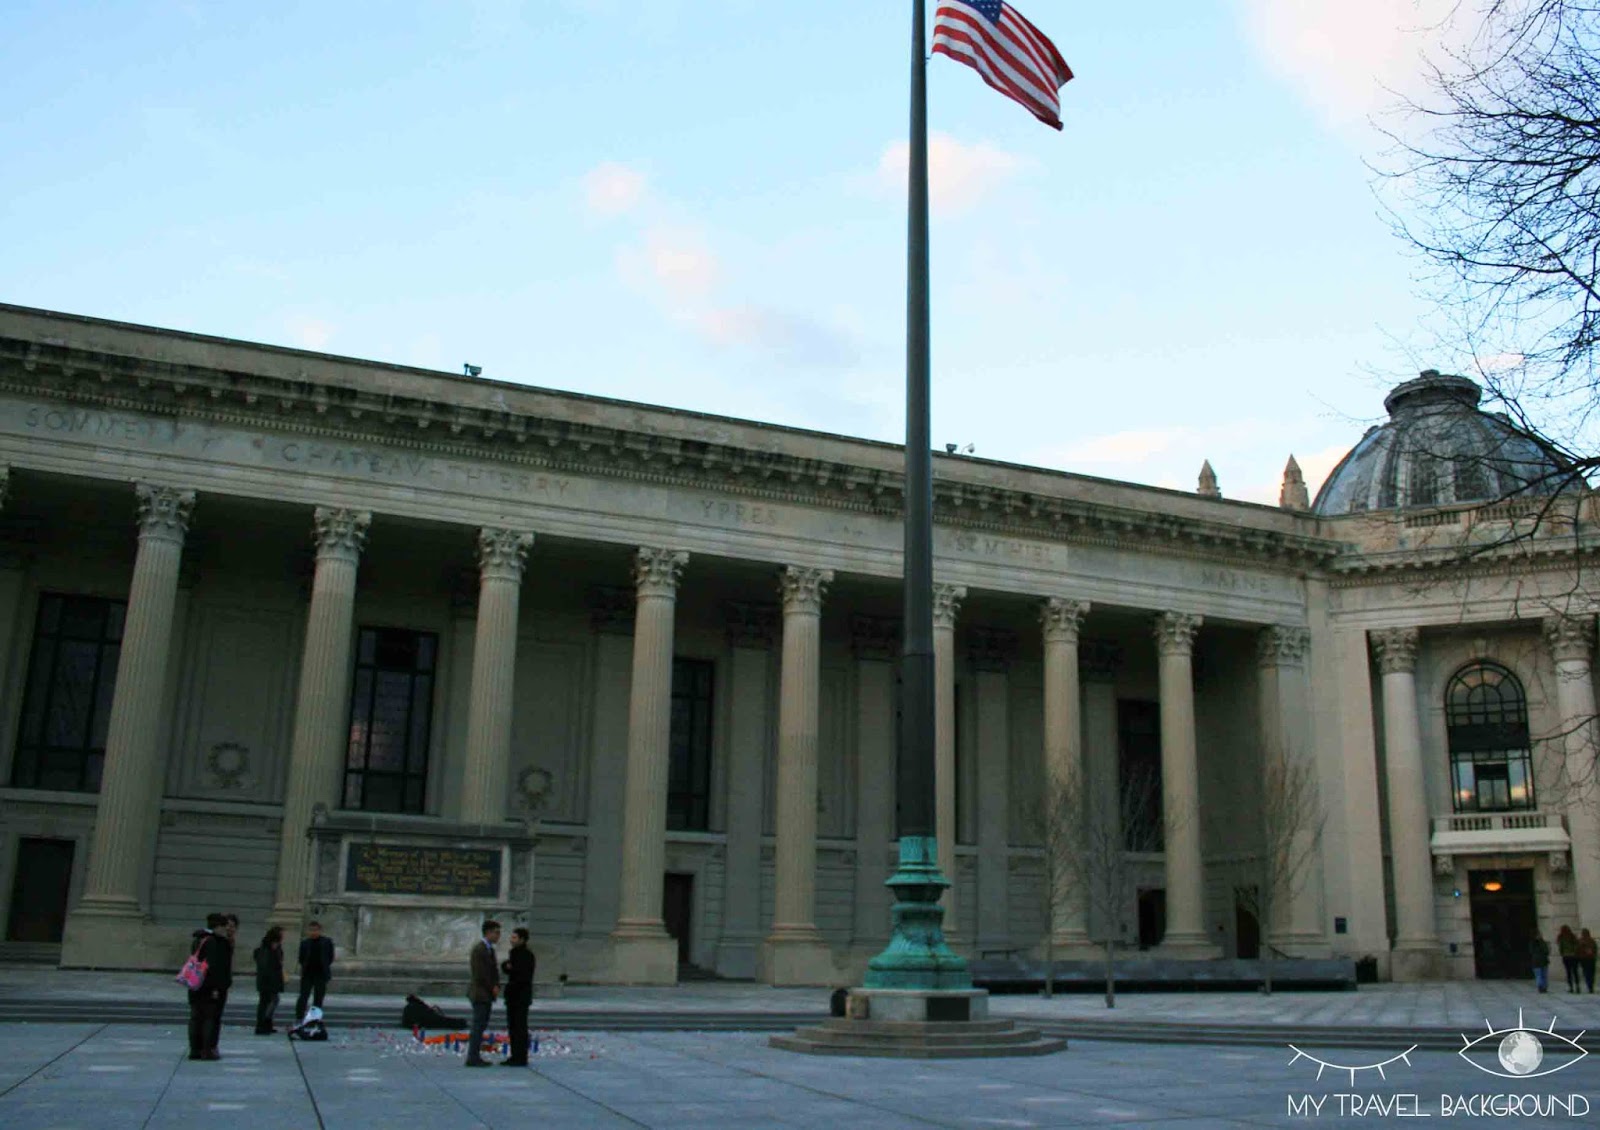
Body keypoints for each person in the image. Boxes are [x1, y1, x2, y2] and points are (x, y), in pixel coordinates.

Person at [186, 912, 231, 1061]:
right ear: (219, 926)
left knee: (195, 1017)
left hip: (195, 984)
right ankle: (207, 1049)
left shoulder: (199, 939)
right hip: (209, 986)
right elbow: (215, 967)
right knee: (210, 1018)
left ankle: (195, 1049)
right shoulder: (216, 942)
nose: (226, 930)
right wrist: (216, 988)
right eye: (225, 927)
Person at [464, 920, 501, 1068]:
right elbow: (480, 973)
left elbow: (493, 970)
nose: (498, 936)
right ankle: (472, 1057)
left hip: (486, 993)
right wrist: (492, 986)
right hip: (481, 993)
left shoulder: (489, 949)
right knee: (478, 1026)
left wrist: (496, 985)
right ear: (488, 933)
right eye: (496, 932)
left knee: (481, 1025)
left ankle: (475, 1055)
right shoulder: (479, 949)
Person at [500, 927, 535, 1066]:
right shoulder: (514, 953)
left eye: (514, 937)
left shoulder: (526, 955)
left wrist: (510, 968)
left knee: (519, 1026)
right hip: (514, 996)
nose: (511, 940)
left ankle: (520, 1056)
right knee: (513, 1026)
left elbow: (521, 975)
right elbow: (508, 968)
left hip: (520, 996)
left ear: (522, 939)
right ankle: (515, 1055)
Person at [296, 921, 335, 1021]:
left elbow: (330, 957)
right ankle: (299, 1017)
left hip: (321, 973)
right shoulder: (305, 943)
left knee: (318, 998)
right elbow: (301, 958)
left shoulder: (326, 942)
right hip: (308, 973)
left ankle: (314, 1019)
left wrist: (324, 966)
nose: (313, 932)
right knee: (303, 996)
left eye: (315, 930)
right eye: (311, 930)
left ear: (320, 930)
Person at [254, 926, 286, 1034]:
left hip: (272, 979)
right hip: (267, 980)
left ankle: (267, 1023)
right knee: (266, 1002)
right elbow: (265, 966)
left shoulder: (276, 948)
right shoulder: (266, 948)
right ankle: (262, 1025)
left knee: (271, 1001)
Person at [214, 913, 239, 1048]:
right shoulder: (219, 942)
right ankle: (209, 1046)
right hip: (216, 984)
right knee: (213, 1017)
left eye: (233, 926)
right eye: (228, 926)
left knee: (217, 1016)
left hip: (223, 983)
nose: (231, 929)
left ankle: (211, 1045)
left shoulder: (229, 941)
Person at [1557, 925, 1580, 993]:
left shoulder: (1561, 937)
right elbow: (1577, 945)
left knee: (1569, 972)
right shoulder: (1572, 936)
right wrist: (1574, 951)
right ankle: (1577, 986)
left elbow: (1561, 948)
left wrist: (1562, 953)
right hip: (1574, 956)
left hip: (1566, 957)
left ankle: (1571, 987)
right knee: (1575, 972)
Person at [1579, 928, 1598, 993]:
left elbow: (1578, 950)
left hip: (1585, 959)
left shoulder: (1581, 941)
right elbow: (1595, 950)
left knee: (1587, 973)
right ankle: (1590, 986)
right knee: (1590, 973)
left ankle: (1589, 986)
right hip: (1590, 959)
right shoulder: (1591, 941)